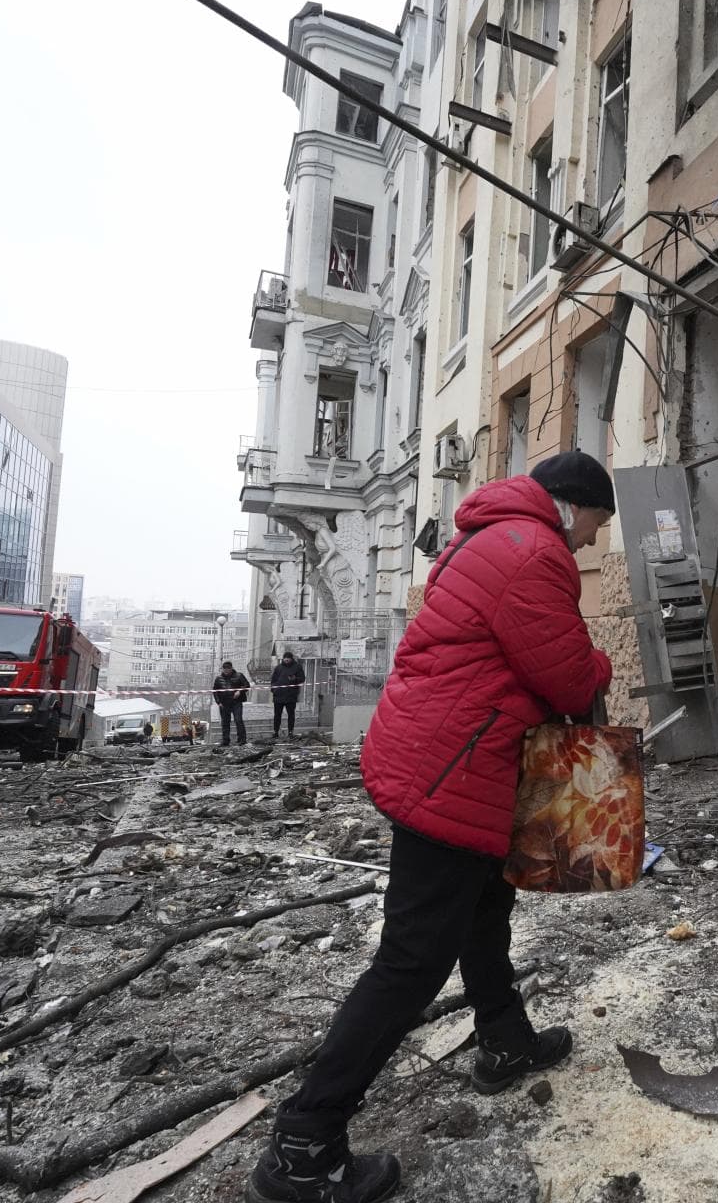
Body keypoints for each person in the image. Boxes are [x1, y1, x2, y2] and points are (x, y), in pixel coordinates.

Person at [247, 451, 616, 1203]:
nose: (591, 544)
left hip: (450, 761)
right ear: (573, 507)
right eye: (596, 527)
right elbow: (570, 676)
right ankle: (303, 1145)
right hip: (452, 774)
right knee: (412, 963)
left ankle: (506, 1044)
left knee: (486, 911)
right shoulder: (534, 551)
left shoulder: (489, 538)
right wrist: (604, 666)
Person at [212, 661, 251, 746]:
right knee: (225, 722)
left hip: (236, 702)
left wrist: (239, 691)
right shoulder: (218, 679)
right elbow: (215, 691)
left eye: (228, 668)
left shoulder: (239, 676)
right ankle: (225, 740)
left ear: (231, 668)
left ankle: (242, 739)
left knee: (238, 720)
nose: (226, 670)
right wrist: (218, 702)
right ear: (222, 669)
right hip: (224, 703)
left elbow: (247, 685)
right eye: (224, 668)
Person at [270, 651, 306, 740]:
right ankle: (275, 732)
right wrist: (274, 690)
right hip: (278, 696)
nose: (286, 659)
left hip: (291, 696)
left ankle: (290, 732)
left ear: (291, 659)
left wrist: (295, 679)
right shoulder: (278, 668)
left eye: (288, 658)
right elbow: (273, 680)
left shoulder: (297, 667)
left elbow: (302, 679)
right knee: (277, 715)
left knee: (291, 715)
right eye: (285, 658)